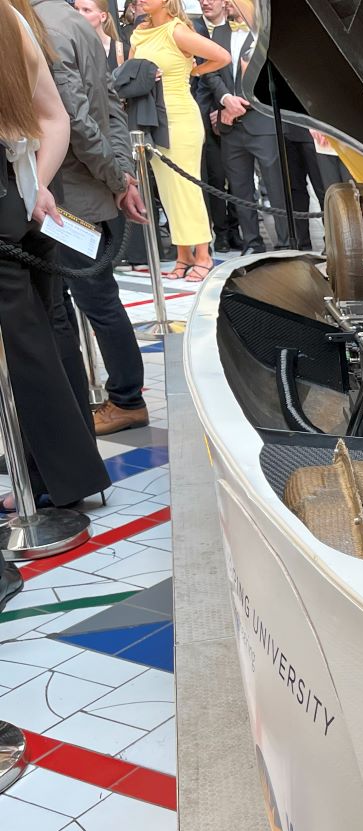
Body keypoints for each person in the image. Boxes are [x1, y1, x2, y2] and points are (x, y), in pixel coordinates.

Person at [0, 1, 110, 511]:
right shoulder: (15, 19)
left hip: (22, 197)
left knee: (28, 341)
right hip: (27, 195)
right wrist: (36, 186)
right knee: (44, 330)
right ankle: (61, 473)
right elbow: (56, 118)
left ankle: (52, 477)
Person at [32, 0, 152, 437]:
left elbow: (77, 119)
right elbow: (110, 106)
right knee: (85, 301)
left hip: (69, 194)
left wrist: (117, 177)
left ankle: (125, 400)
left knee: (87, 302)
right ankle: (105, 397)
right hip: (83, 187)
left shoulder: (43, 26)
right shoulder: (70, 21)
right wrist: (120, 172)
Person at [129, 0, 229, 282]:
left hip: (180, 117)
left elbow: (222, 56)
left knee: (186, 187)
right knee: (168, 190)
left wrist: (194, 72)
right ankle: (183, 256)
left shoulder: (178, 30)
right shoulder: (139, 32)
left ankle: (203, 255)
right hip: (152, 117)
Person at [209, 0, 289, 253]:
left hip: (263, 123)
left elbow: (276, 73)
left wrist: (245, 103)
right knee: (240, 190)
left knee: (277, 188)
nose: (226, 3)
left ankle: (286, 243)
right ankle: (252, 242)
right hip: (230, 128)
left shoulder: (267, 32)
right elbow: (210, 72)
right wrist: (225, 99)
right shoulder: (219, 33)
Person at [192, 0, 239, 252]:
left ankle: (236, 229)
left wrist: (225, 107)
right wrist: (214, 109)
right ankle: (221, 232)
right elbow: (202, 75)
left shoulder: (238, 27)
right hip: (204, 112)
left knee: (239, 176)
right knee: (215, 175)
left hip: (235, 110)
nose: (205, 2)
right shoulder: (193, 28)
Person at [73, 0, 124, 70]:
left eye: (86, 10)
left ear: (103, 16)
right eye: (76, 9)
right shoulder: (70, 49)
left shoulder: (121, 51)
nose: (79, 14)